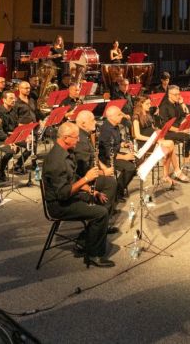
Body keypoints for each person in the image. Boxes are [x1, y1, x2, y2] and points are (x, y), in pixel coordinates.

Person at [42, 122, 115, 267]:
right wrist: (86, 178)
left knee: (100, 198)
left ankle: (86, 240)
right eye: (76, 137)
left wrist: (91, 190)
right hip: (59, 205)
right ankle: (94, 255)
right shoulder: (57, 161)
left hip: (68, 197)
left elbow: (72, 178)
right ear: (66, 138)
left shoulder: (65, 152)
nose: (79, 140)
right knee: (100, 213)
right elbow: (63, 194)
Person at [73, 110, 119, 220]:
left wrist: (104, 167)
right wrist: (103, 172)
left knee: (110, 176)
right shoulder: (80, 141)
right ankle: (101, 217)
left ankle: (106, 209)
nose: (95, 122)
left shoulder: (85, 135)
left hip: (90, 173)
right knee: (110, 182)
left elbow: (94, 156)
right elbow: (83, 171)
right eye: (92, 120)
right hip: (81, 179)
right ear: (83, 124)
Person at [131, 96, 184, 186]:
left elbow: (152, 128)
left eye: (149, 103)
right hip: (145, 144)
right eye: (147, 104)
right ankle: (173, 172)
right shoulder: (136, 117)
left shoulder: (147, 114)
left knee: (170, 146)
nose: (149, 105)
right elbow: (137, 135)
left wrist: (158, 132)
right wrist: (152, 139)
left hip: (154, 140)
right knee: (170, 144)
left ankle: (169, 173)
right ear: (141, 105)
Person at [158, 85, 190, 170]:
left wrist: (182, 103)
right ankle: (185, 162)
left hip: (180, 129)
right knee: (188, 137)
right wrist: (180, 130)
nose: (178, 96)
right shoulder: (164, 106)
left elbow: (185, 114)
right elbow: (165, 126)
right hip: (169, 132)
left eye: (179, 94)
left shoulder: (177, 104)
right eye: (176, 94)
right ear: (169, 94)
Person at [98, 106, 137, 200]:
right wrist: (125, 157)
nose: (121, 116)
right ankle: (117, 193)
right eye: (119, 114)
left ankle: (119, 188)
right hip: (107, 159)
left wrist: (123, 144)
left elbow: (116, 142)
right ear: (111, 117)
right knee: (130, 168)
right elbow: (109, 152)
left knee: (136, 159)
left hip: (114, 154)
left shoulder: (115, 125)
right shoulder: (106, 130)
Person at [0, 91, 30, 181]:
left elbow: (16, 127)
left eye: (14, 98)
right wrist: (10, 142)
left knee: (31, 145)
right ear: (4, 100)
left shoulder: (13, 110)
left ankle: (18, 165)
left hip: (12, 136)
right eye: (11, 98)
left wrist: (25, 135)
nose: (14, 100)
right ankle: (0, 170)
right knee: (10, 151)